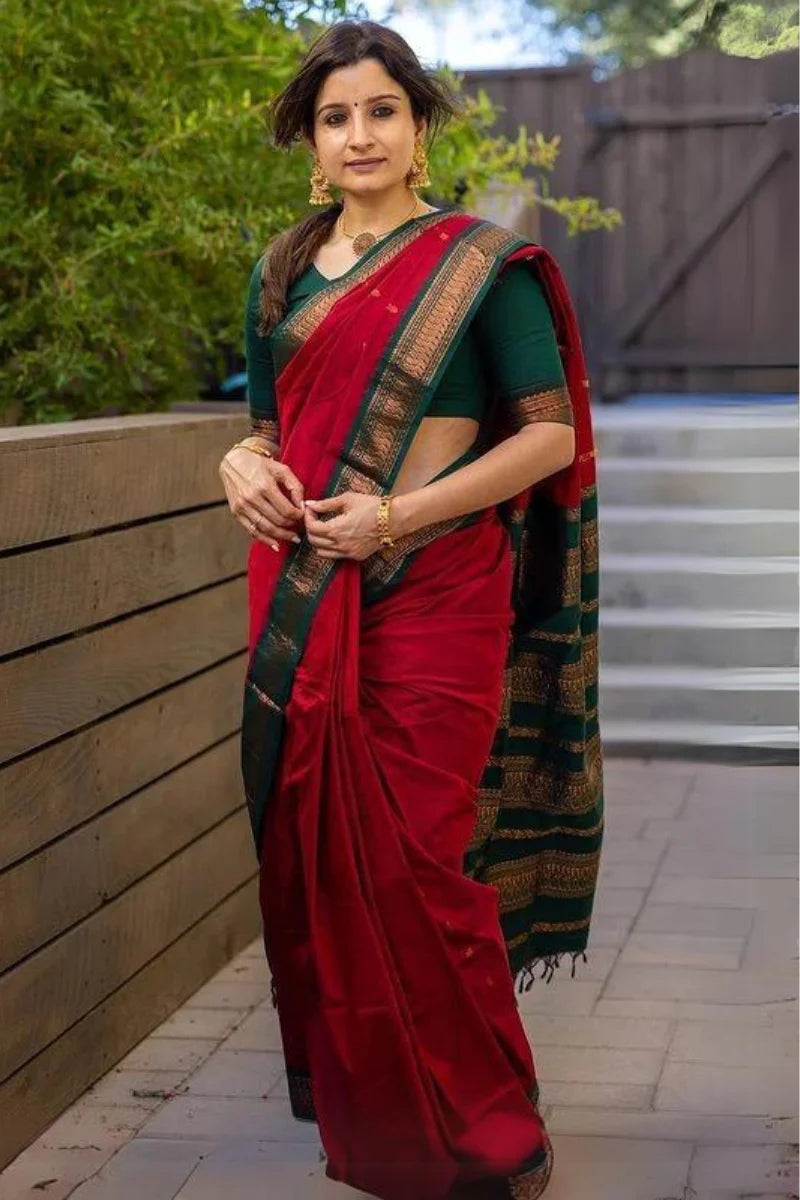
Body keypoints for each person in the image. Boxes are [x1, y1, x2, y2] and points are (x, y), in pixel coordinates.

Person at [218, 19, 603, 1200]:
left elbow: (547, 436)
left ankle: (494, 1132)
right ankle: (385, 1133)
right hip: (305, 596)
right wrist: (235, 464)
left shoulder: (480, 267)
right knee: (325, 862)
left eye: (380, 110)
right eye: (334, 117)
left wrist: (395, 516)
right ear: (310, 142)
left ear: (418, 126)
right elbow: (267, 429)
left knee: (420, 865)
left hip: (434, 591)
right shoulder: (282, 272)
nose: (358, 135)